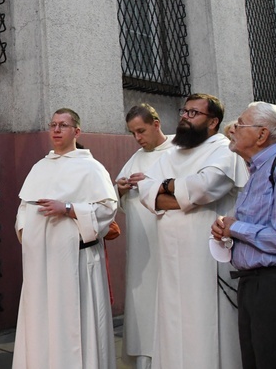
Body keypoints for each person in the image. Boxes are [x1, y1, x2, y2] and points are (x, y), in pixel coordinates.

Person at [138, 93, 249, 369]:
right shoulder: (173, 153)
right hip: (170, 257)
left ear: (213, 122)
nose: (185, 118)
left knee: (205, 320)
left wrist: (163, 189)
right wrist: (178, 192)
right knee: (172, 319)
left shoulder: (223, 150)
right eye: (184, 111)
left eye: (193, 113)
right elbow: (145, 193)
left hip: (205, 254)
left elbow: (204, 188)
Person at [13, 108, 117, 369]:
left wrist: (69, 209)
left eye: (63, 125)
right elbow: (24, 208)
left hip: (76, 262)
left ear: (76, 131)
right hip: (41, 262)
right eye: (53, 125)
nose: (57, 130)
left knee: (75, 323)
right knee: (40, 322)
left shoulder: (91, 168)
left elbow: (106, 210)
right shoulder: (40, 167)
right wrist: (28, 234)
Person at [211, 102, 276, 369]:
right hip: (255, 286)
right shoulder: (257, 169)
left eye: (240, 124)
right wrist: (227, 232)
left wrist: (235, 228)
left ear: (261, 135)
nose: (233, 130)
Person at [114, 104, 174, 369]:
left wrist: (149, 183)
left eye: (141, 130)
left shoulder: (177, 151)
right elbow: (120, 199)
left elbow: (186, 190)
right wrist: (122, 189)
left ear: (156, 124)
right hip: (140, 244)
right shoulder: (136, 156)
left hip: (166, 238)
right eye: (133, 133)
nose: (138, 138)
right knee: (142, 300)